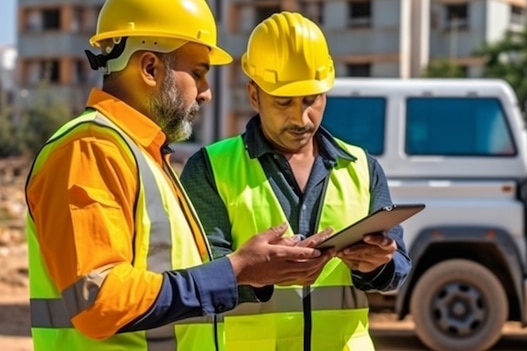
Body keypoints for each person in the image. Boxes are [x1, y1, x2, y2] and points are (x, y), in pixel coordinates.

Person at [25, 2, 334, 350]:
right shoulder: (90, 150)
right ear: (151, 67)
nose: (206, 92)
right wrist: (236, 270)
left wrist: (248, 271)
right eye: (199, 73)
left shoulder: (140, 153)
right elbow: (99, 301)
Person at [180, 11, 412, 351]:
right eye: (284, 102)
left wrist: (377, 264)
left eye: (311, 100)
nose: (301, 118)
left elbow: (397, 267)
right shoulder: (210, 169)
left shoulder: (362, 167)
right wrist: (254, 273)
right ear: (254, 95)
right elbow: (195, 276)